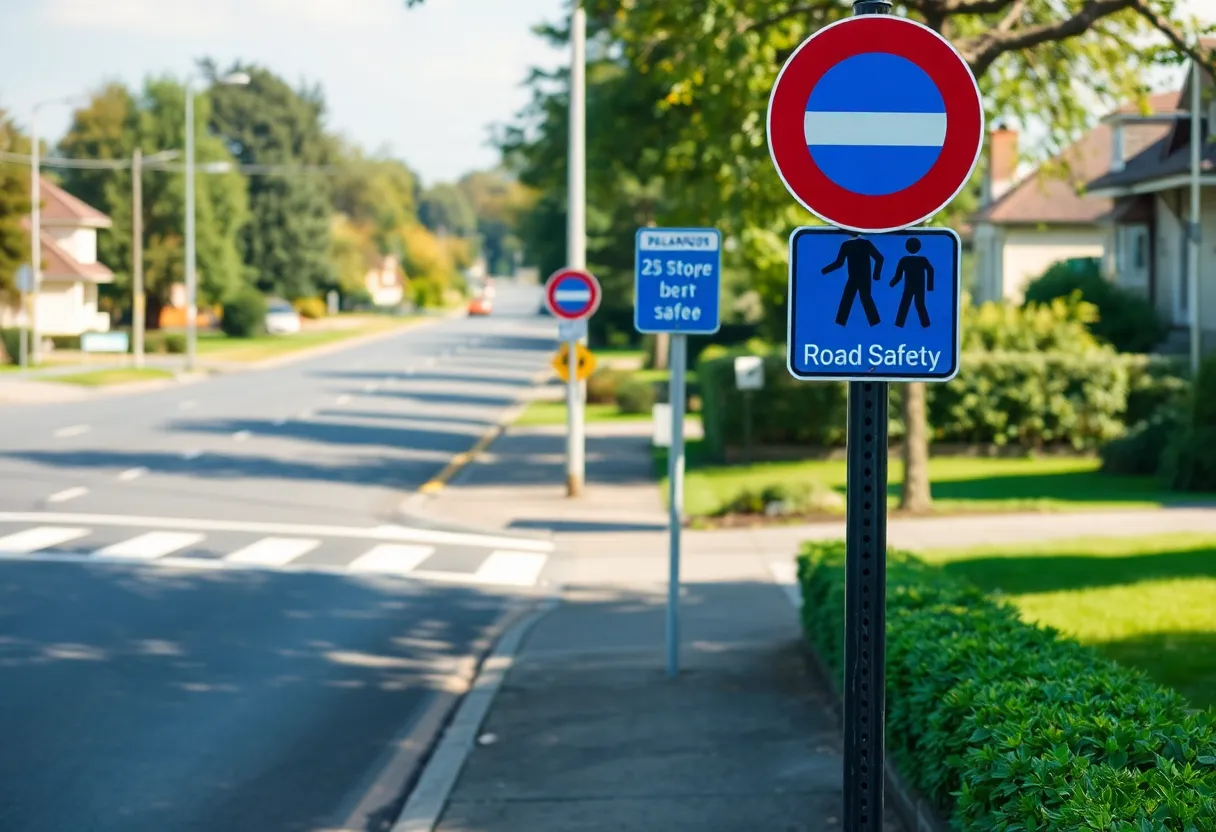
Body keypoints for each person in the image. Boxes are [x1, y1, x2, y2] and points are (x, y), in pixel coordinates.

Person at [821, 233, 883, 327]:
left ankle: (841, 323)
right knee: (860, 298)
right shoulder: (864, 244)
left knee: (853, 299)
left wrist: (825, 270)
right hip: (862, 277)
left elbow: (839, 263)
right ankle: (875, 323)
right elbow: (879, 258)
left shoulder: (848, 244)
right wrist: (876, 275)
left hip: (855, 277)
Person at [889, 237, 933, 328]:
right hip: (917, 287)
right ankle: (924, 324)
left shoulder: (904, 260)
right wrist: (929, 286)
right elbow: (930, 270)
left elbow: (898, 276)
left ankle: (900, 324)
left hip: (911, 286)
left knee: (910, 304)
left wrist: (892, 283)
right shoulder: (921, 260)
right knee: (915, 304)